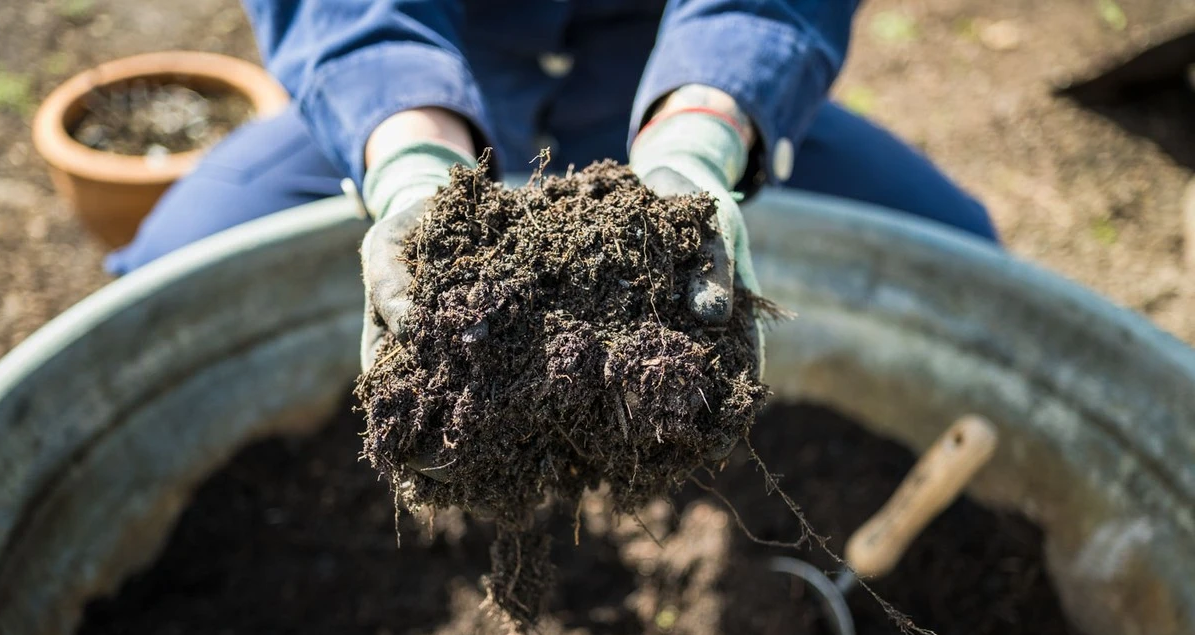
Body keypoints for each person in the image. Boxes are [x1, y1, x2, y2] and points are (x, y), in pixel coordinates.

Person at [107, 0, 997, 376]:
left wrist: (699, 141)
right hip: (440, 81)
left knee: (966, 276)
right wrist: (412, 155)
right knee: (156, 303)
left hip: (664, 77)